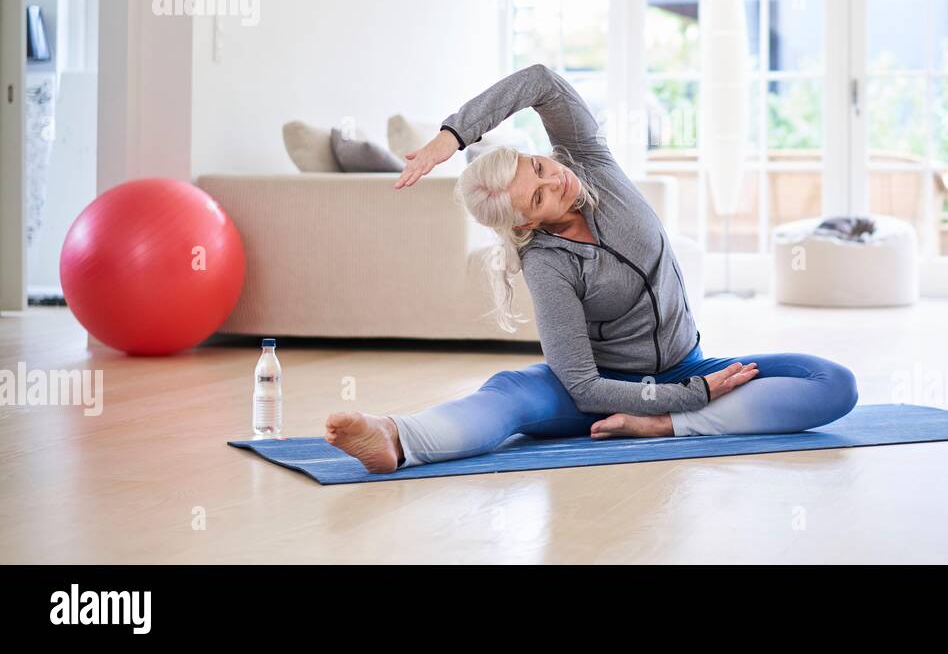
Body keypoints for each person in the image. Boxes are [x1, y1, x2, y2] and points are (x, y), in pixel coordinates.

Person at [325, 63, 858, 472]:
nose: (554, 181)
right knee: (510, 394)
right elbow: (582, 386)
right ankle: (396, 438)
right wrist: (695, 397)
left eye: (539, 166)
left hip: (685, 367)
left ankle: (663, 429)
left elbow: (540, 81)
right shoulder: (547, 265)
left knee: (833, 382)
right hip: (606, 388)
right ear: (526, 226)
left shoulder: (590, 165)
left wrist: (453, 135)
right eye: (537, 197)